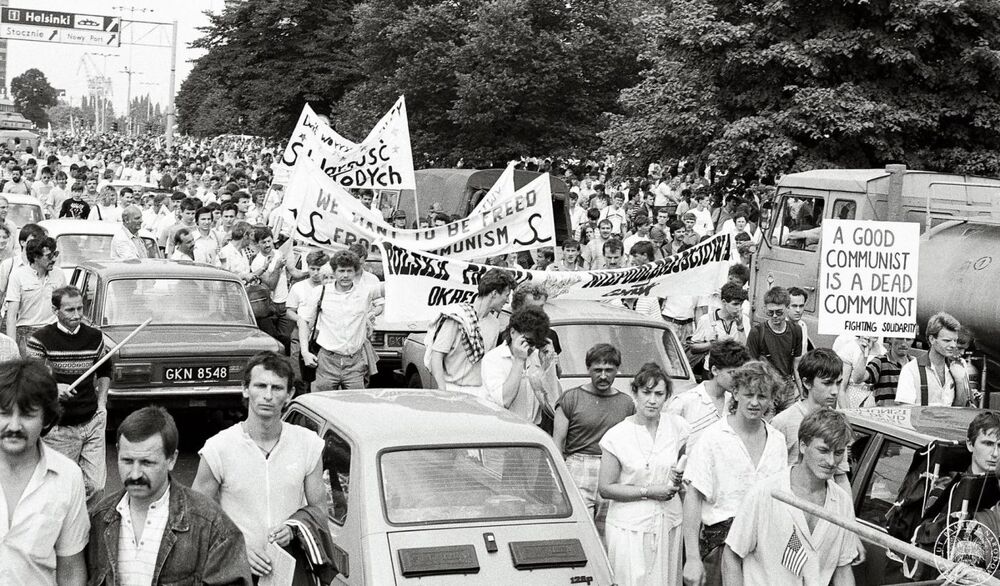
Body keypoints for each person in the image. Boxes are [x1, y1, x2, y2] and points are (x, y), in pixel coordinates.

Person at [193, 352, 325, 581]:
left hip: (289, 570)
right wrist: (235, 548)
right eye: (260, 386)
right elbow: (195, 517)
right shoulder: (218, 448)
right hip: (234, 572)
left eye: (277, 388)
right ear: (245, 389)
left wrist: (294, 529)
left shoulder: (308, 444)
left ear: (289, 394)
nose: (268, 396)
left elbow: (319, 511)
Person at [87, 407, 253, 586]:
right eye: (127, 461)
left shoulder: (210, 523)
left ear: (172, 459)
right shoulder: (99, 519)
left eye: (147, 463)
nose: (135, 474)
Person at [723, 409, 860, 585]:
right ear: (803, 445)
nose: (832, 461)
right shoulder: (765, 493)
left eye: (839, 453)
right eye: (823, 451)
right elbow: (732, 555)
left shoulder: (842, 502)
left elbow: (842, 569)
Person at [682, 361, 788, 586]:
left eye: (762, 396)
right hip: (721, 547)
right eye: (749, 394)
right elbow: (693, 497)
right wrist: (692, 558)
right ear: (736, 393)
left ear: (771, 399)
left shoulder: (777, 441)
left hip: (764, 550)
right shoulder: (714, 437)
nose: (754, 402)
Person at [598, 363, 689, 585]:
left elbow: (681, 468)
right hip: (630, 528)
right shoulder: (617, 436)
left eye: (659, 394)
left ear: (667, 397)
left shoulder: (678, 426)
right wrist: (649, 492)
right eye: (646, 393)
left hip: (669, 522)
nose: (652, 400)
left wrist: (679, 483)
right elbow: (606, 488)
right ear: (635, 393)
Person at [0, 359, 89, 585]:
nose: (14, 426)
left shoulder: (68, 476)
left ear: (47, 418)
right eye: (5, 413)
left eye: (28, 415)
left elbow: (71, 569)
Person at [26, 285, 111, 507]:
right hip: (59, 426)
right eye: (70, 310)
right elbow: (32, 379)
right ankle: (65, 530)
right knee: (59, 486)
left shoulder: (95, 337)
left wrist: (102, 404)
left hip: (92, 421)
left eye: (80, 309)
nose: (77, 315)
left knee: (96, 486)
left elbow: (104, 370)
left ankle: (82, 531)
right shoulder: (40, 339)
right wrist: (55, 389)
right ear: (55, 311)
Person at [553, 343, 636, 535]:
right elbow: (558, 442)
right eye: (597, 370)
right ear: (588, 369)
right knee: (581, 531)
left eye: (609, 370)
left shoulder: (627, 403)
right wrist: (560, 476)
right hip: (578, 467)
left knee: (609, 531)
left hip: (613, 470)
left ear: (617, 370)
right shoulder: (571, 398)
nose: (604, 376)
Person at [770, 348, 852, 494]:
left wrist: (847, 514)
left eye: (838, 383)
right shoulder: (783, 422)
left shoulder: (837, 422)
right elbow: (771, 474)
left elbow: (840, 476)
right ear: (807, 383)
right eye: (827, 383)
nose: (834, 391)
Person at [426, 268, 515, 397]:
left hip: (479, 392)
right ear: (494, 293)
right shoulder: (457, 317)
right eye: (506, 295)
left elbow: (489, 362)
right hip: (450, 390)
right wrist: (442, 390)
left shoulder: (494, 324)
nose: (507, 301)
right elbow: (437, 355)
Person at [298, 250, 377, 391]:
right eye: (341, 271)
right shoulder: (320, 292)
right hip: (326, 361)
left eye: (349, 271)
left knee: (355, 406)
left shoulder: (365, 292)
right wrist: (305, 352)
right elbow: (303, 321)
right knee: (321, 405)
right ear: (334, 272)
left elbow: (393, 289)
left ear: (355, 272)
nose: (345, 275)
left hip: (355, 363)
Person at [482, 306, 559, 425]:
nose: (532, 348)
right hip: (504, 428)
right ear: (513, 333)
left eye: (536, 343)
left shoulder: (537, 356)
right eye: (528, 341)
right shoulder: (493, 359)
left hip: (533, 428)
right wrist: (519, 360)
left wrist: (548, 366)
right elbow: (504, 402)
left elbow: (553, 402)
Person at [668, 339, 750, 448]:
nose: (737, 379)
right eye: (731, 373)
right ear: (715, 370)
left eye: (741, 374)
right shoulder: (684, 402)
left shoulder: (738, 402)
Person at [6, 236, 67, 356]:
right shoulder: (18, 275)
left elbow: (65, 307)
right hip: (27, 334)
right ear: (35, 257)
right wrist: (12, 349)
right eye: (49, 256)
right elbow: (11, 317)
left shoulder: (59, 274)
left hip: (54, 331)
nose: (54, 259)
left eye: (56, 254)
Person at [895, 312, 970, 406]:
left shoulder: (958, 366)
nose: (953, 345)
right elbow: (905, 410)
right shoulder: (911, 370)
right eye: (947, 341)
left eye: (955, 340)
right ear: (932, 339)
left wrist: (959, 381)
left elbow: (961, 410)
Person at [746, 286, 803, 410]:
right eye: (770, 312)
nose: (775, 316)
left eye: (779, 312)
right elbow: (751, 367)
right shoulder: (757, 332)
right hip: (767, 387)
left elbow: (796, 365)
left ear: (787, 308)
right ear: (765, 309)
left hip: (787, 388)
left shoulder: (796, 330)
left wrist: (802, 394)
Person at [286, 250, 329, 389]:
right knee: (298, 374)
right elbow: (289, 311)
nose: (316, 273)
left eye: (319, 269)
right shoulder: (298, 287)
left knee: (319, 375)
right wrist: (299, 319)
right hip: (300, 334)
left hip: (321, 335)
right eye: (312, 269)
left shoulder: (329, 287)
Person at [865, 336, 914, 405]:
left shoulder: (915, 363)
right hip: (885, 413)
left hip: (909, 413)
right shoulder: (880, 361)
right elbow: (859, 378)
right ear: (890, 339)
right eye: (899, 338)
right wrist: (864, 353)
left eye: (908, 339)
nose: (904, 343)